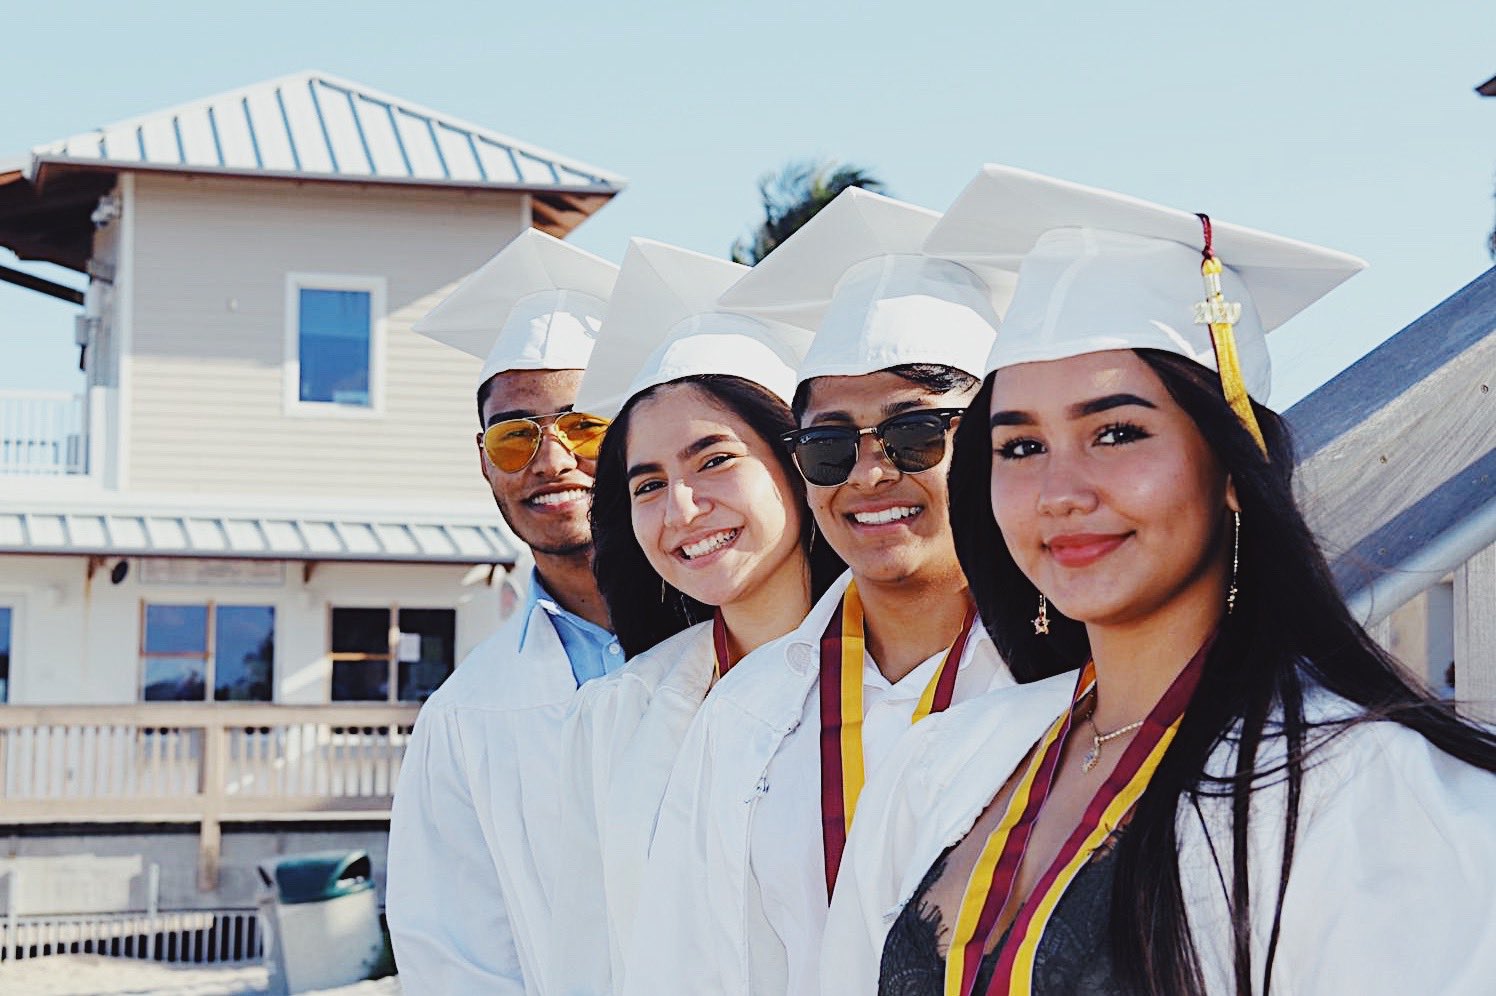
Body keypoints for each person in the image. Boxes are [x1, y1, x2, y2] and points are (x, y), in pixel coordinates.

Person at [820, 163, 1496, 995]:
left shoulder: (1365, 790)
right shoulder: (942, 765)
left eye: (1116, 433)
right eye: (1020, 446)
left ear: (1230, 468)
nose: (1061, 494)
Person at [623, 190, 1016, 996]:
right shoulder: (750, 714)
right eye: (830, 445)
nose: (871, 475)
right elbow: (686, 968)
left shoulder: (1068, 684)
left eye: (916, 434)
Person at [546, 238, 846, 995]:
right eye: (648, 484)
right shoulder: (616, 715)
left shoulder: (909, 683)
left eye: (714, 460)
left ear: (797, 462)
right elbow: (588, 956)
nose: (681, 509)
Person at [386, 229, 625, 995]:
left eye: (585, 426)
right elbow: (455, 962)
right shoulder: (467, 716)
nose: (551, 460)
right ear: (483, 460)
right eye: (515, 435)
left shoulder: (759, 645)